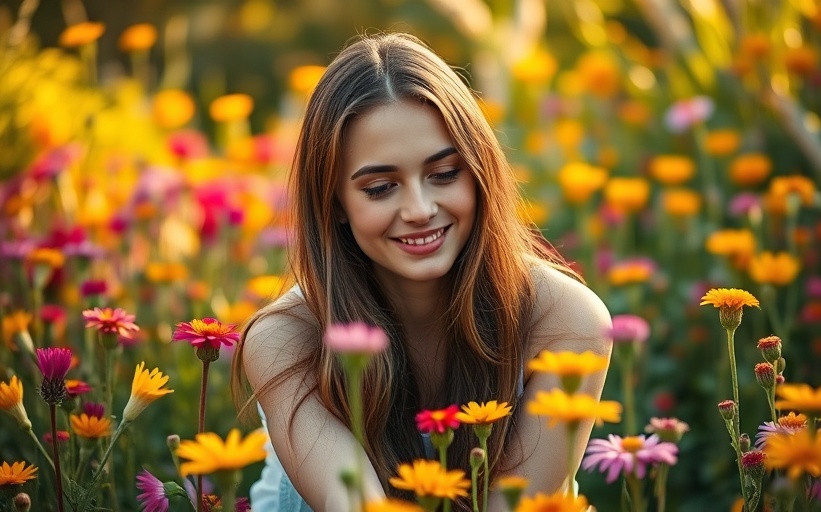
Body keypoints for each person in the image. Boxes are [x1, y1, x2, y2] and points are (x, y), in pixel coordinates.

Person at [231, 32, 612, 511]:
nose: (419, 208)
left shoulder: (566, 319)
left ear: (479, 172)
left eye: (444, 174)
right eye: (381, 187)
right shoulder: (286, 337)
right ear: (336, 203)